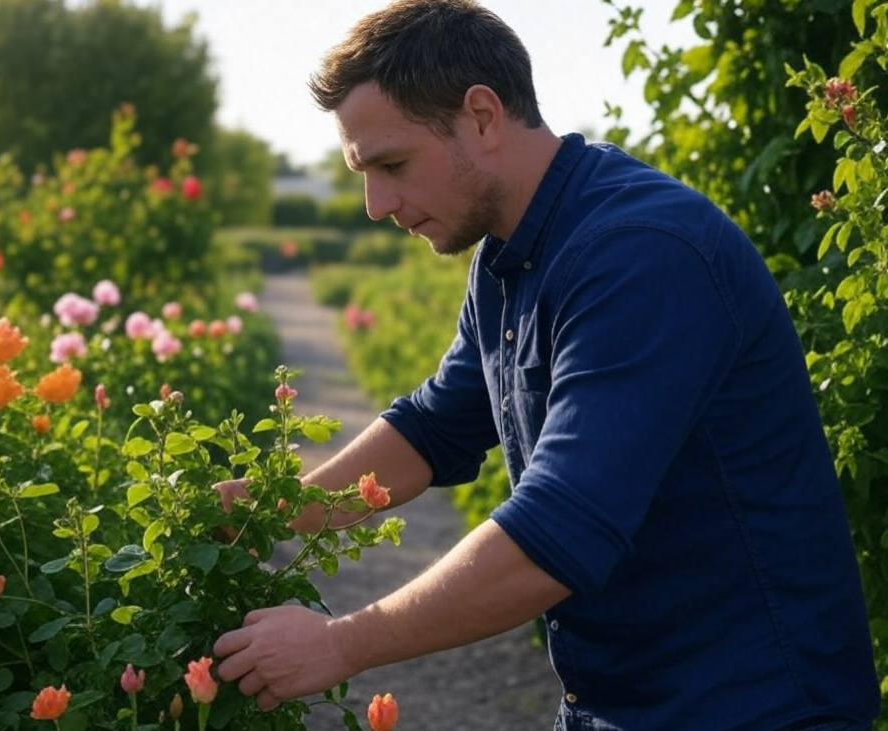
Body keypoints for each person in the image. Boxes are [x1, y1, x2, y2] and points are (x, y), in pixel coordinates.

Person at [212, 1, 881, 729]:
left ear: (481, 116)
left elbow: (562, 529)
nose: (375, 204)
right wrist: (269, 509)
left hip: (749, 707)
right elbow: (436, 427)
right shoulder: (511, 252)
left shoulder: (642, 254)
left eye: (391, 164)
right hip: (614, 706)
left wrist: (341, 643)